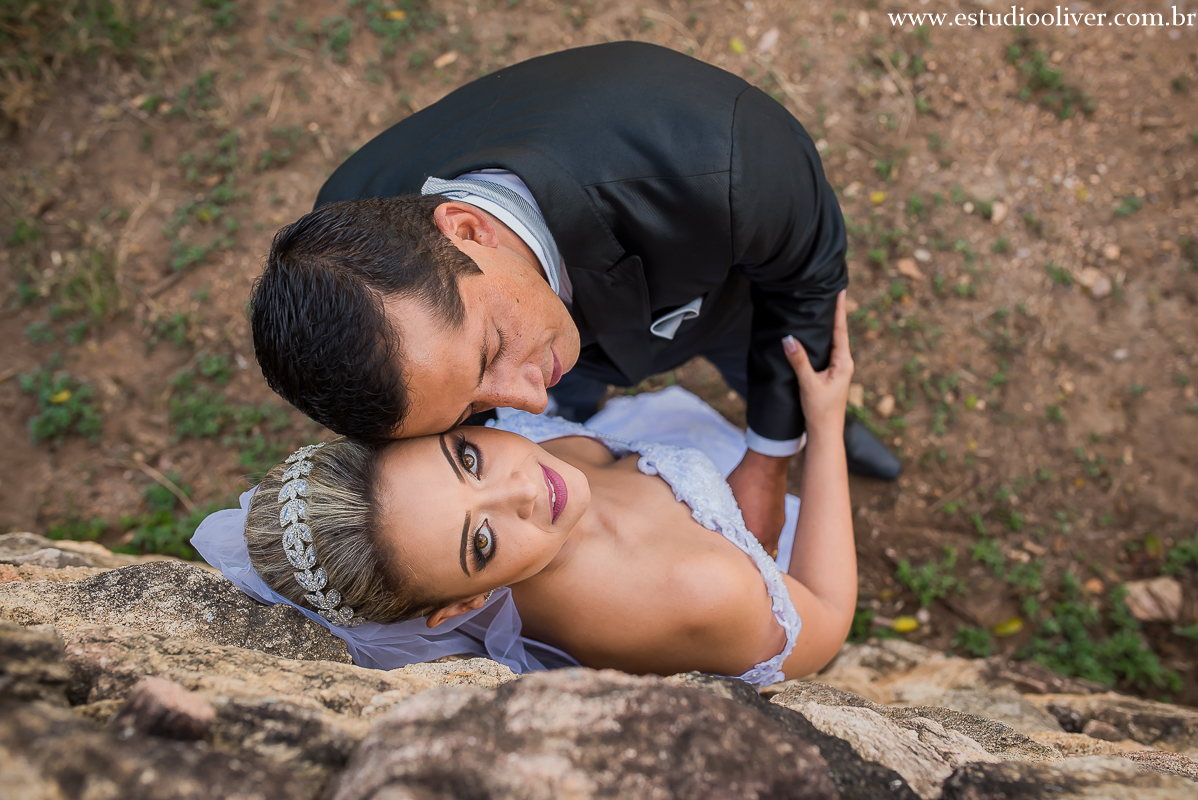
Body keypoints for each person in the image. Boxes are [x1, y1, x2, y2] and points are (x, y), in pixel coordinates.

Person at [249, 42, 898, 557]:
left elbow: (806, 283)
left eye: (493, 349)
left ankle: (825, 429)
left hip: (716, 308)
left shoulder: (724, 164)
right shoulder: (342, 252)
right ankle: (579, 397)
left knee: (764, 365)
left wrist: (770, 455)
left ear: (468, 230)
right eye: (473, 410)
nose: (529, 402)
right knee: (560, 388)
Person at [194, 292, 857, 687]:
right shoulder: (701, 589)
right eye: (480, 541)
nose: (522, 493)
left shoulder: (501, 463)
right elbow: (827, 612)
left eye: (469, 460)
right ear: (469, 604)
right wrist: (823, 426)